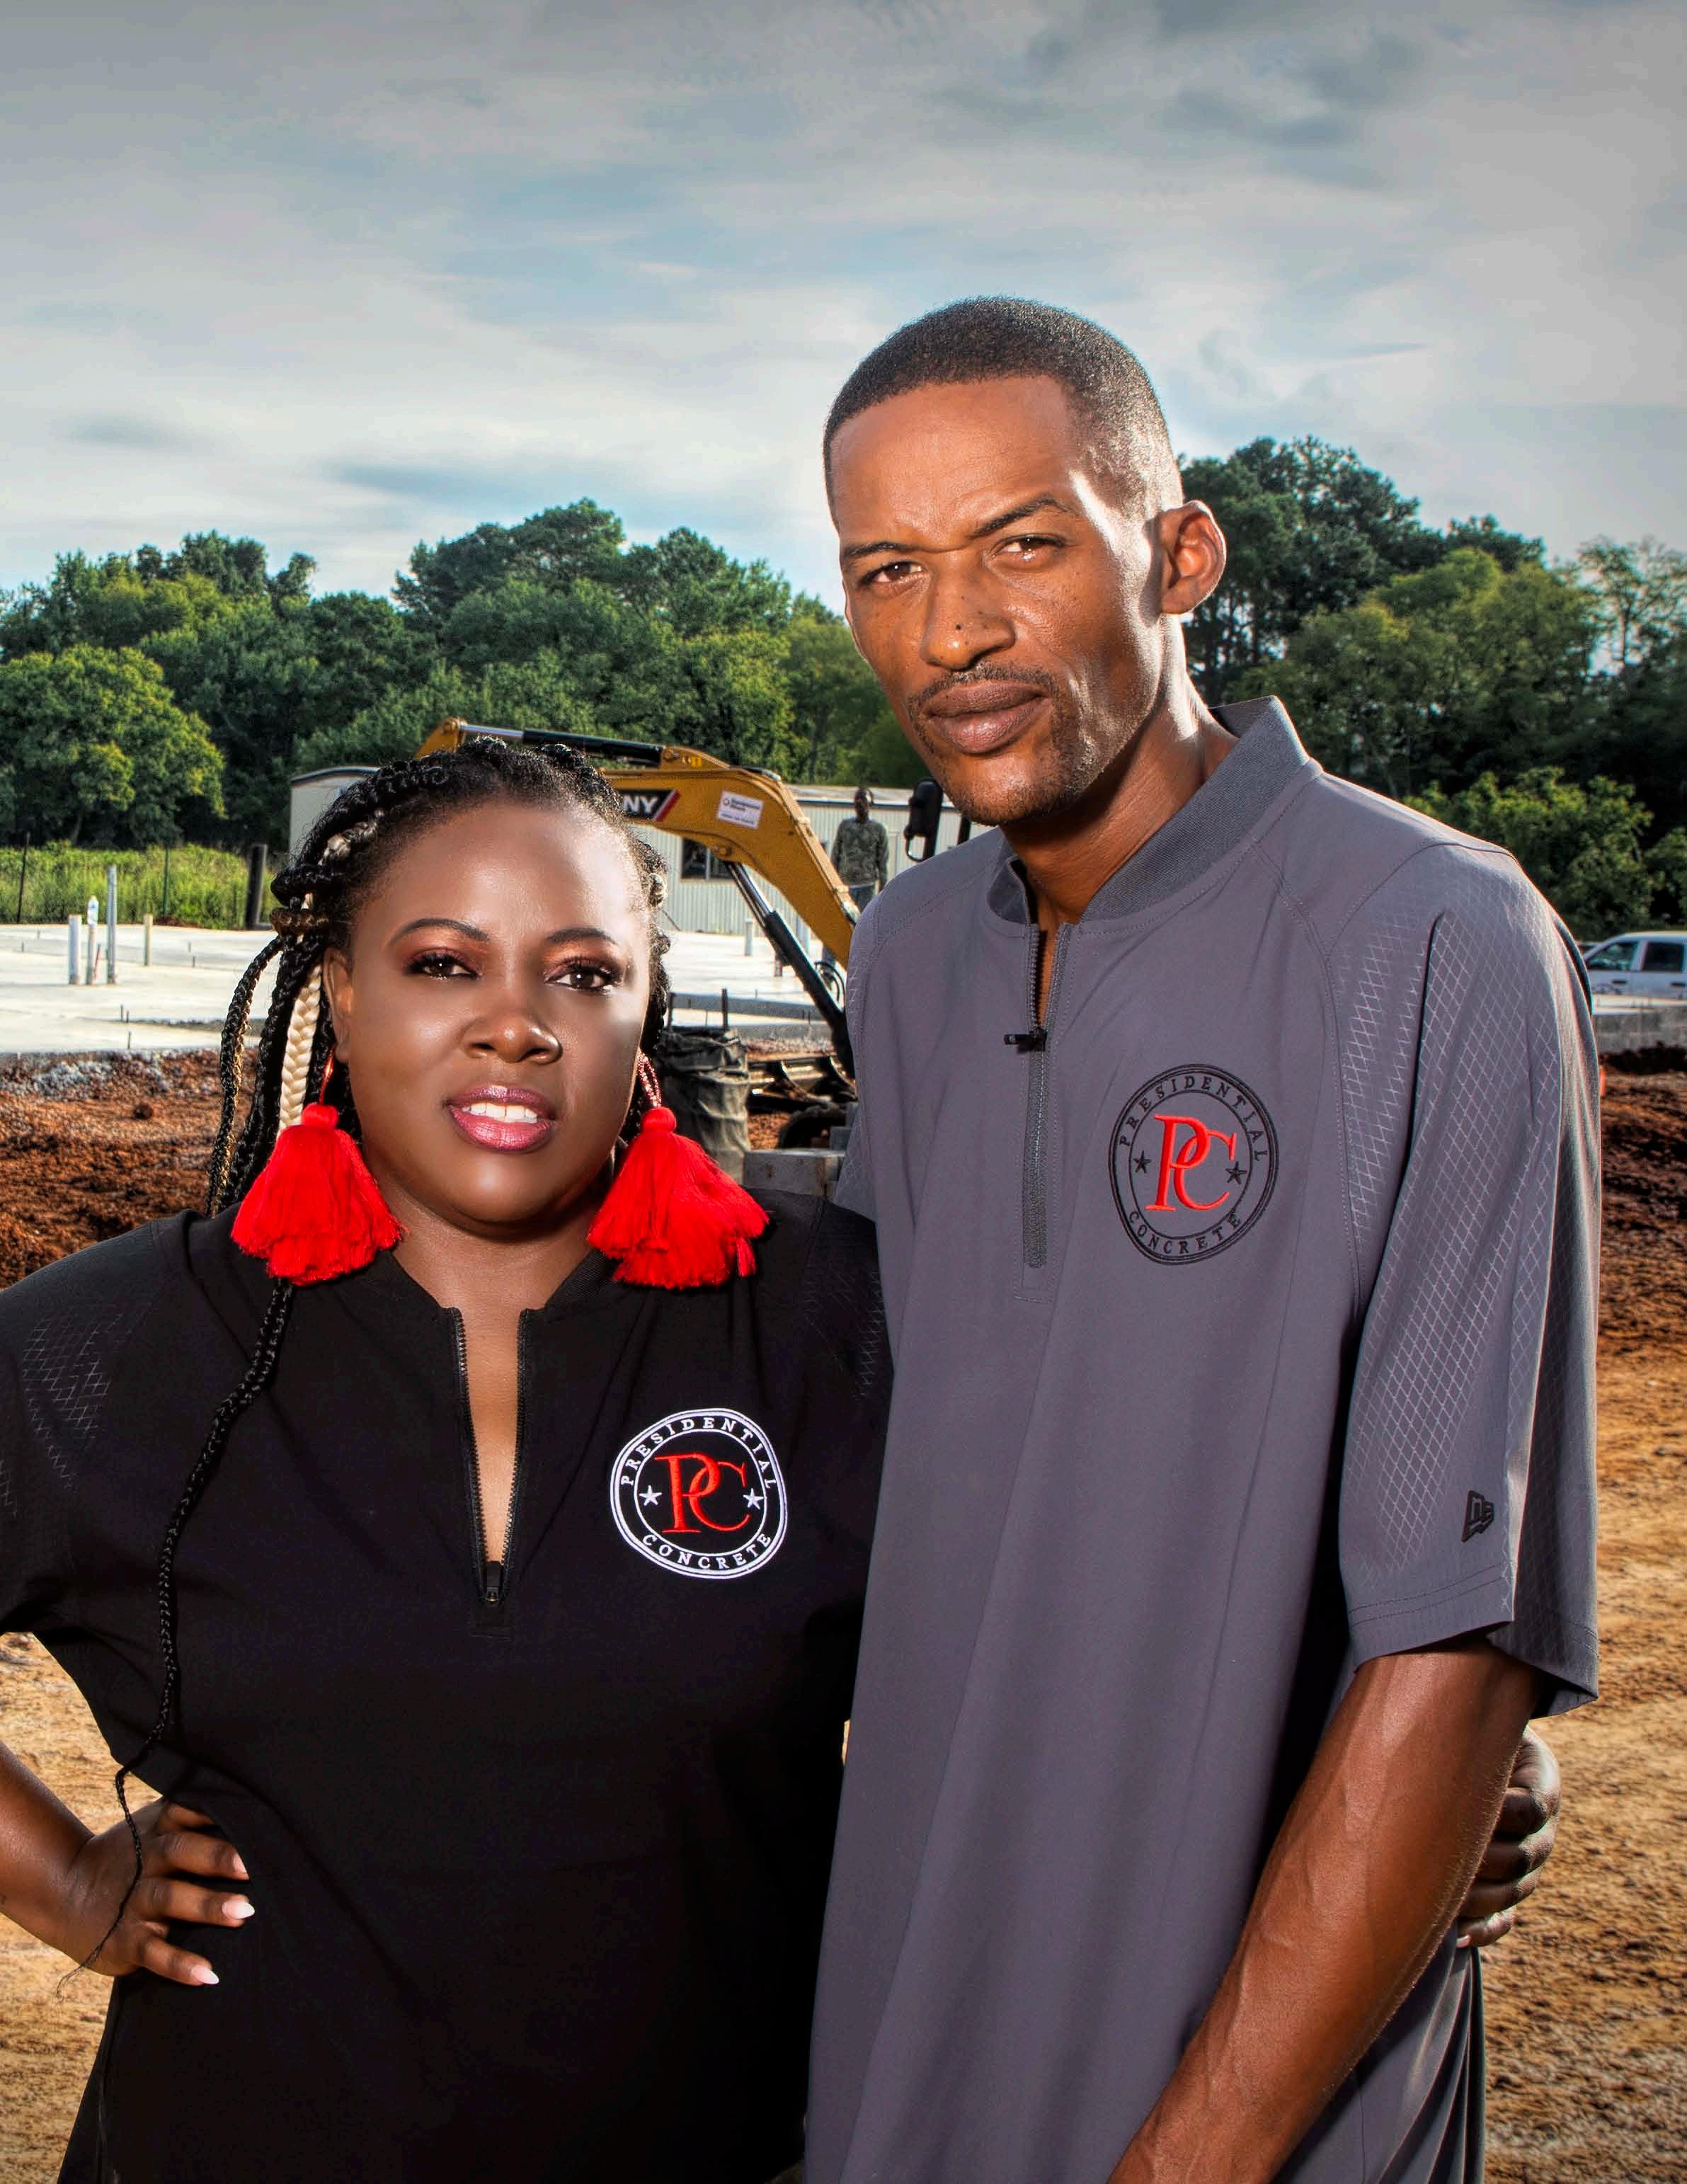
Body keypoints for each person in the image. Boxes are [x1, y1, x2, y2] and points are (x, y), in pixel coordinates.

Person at [806, 299, 1597, 2184]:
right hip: (915, 2009)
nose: (948, 631)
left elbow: (1451, 1639)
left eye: (1020, 543)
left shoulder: (1429, 938)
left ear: (1178, 555)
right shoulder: (906, 955)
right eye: (886, 569)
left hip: (1254, 2095)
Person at [0, 737, 886, 2183]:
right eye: (441, 963)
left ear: (645, 1008)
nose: (514, 1025)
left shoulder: (831, 1323)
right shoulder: (128, 1345)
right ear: (343, 991)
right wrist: (71, 1880)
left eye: (582, 973)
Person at [831, 786, 891, 909]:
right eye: (857, 800)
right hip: (845, 885)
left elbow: (883, 862)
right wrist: (833, 882)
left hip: (867, 886)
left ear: (870, 804)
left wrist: (882, 890)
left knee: (863, 918)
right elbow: (836, 855)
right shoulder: (845, 826)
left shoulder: (878, 829)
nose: (859, 803)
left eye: (863, 799)